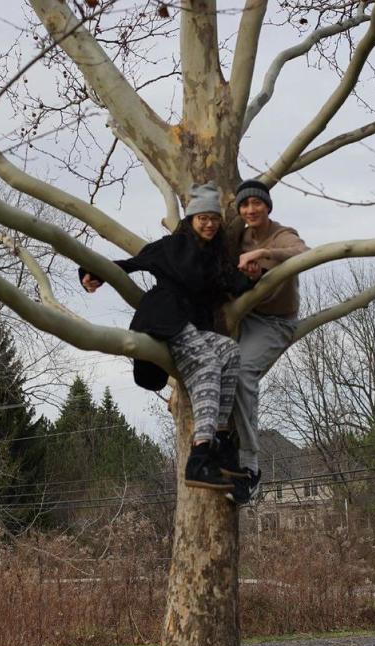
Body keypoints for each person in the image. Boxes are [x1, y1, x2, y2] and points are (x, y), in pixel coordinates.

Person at [79, 183, 255, 491]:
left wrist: (254, 273)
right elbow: (131, 264)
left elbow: (232, 283)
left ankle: (221, 443)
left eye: (214, 218)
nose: (210, 224)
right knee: (207, 364)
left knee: (228, 351)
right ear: (191, 218)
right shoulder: (172, 246)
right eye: (203, 218)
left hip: (193, 328)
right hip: (164, 319)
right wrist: (91, 272)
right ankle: (199, 456)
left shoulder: (215, 257)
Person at [225, 179, 311, 504]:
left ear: (267, 206)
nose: (250, 210)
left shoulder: (280, 234)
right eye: (245, 205)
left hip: (274, 323)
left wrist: (264, 253)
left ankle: (250, 466)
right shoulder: (238, 236)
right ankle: (219, 452)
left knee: (242, 372)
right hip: (241, 316)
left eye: (256, 204)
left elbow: (303, 252)